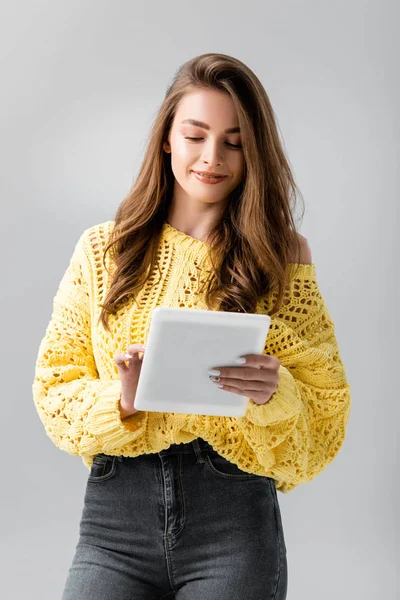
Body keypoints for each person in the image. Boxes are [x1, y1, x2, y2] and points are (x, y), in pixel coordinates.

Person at [32, 52, 351, 600]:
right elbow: (54, 387)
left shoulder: (283, 257)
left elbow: (325, 414)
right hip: (115, 523)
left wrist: (273, 394)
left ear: (255, 152)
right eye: (195, 135)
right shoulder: (102, 250)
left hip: (232, 523)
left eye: (234, 141)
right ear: (167, 139)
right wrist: (124, 401)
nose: (212, 157)